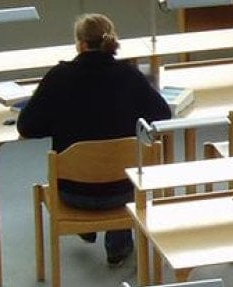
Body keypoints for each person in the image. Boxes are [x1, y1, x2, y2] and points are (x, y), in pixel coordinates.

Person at [18, 13, 171, 267]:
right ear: (111, 40)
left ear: (80, 44)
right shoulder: (130, 75)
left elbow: (26, 127)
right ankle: (118, 246)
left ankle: (87, 227)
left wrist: (58, 120)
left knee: (94, 170)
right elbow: (162, 116)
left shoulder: (58, 77)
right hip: (125, 190)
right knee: (120, 168)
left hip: (73, 192)